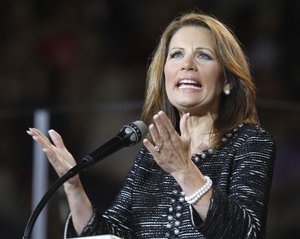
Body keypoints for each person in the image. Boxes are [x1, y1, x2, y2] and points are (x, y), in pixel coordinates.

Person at [27, 11, 276, 239]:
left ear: (227, 81)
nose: (187, 64)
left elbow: (247, 233)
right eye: (176, 54)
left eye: (203, 55)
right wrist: (73, 186)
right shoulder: (153, 154)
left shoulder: (250, 142)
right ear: (165, 75)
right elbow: (111, 233)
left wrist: (184, 171)